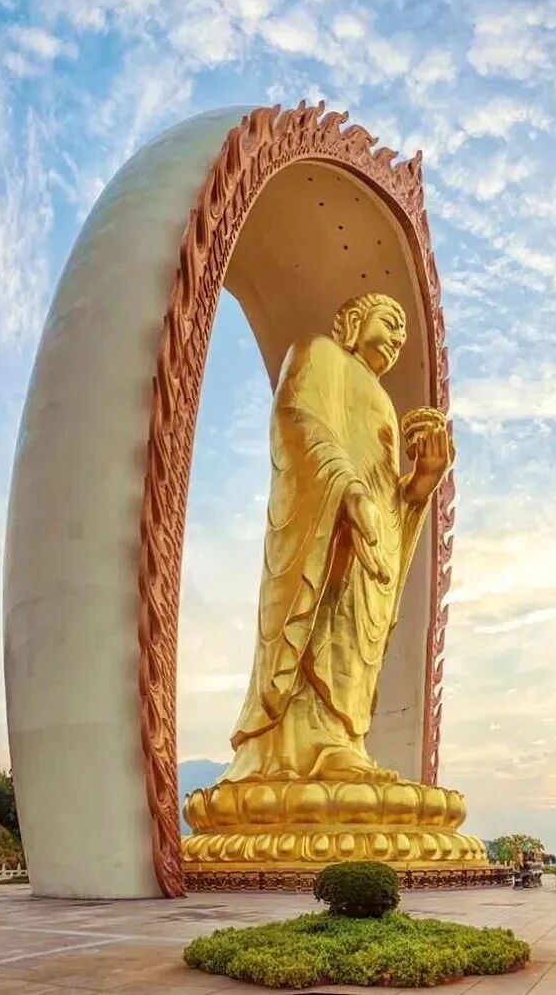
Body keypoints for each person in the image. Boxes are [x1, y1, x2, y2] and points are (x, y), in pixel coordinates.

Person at [222, 293, 454, 783]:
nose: (397, 339)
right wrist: (347, 489)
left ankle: (343, 742)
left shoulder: (384, 403)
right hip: (326, 526)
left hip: (370, 542)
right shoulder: (318, 354)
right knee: (317, 619)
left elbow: (392, 497)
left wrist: (423, 480)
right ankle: (303, 748)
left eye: (403, 335)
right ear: (352, 321)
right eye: (389, 322)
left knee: (352, 640)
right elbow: (295, 420)